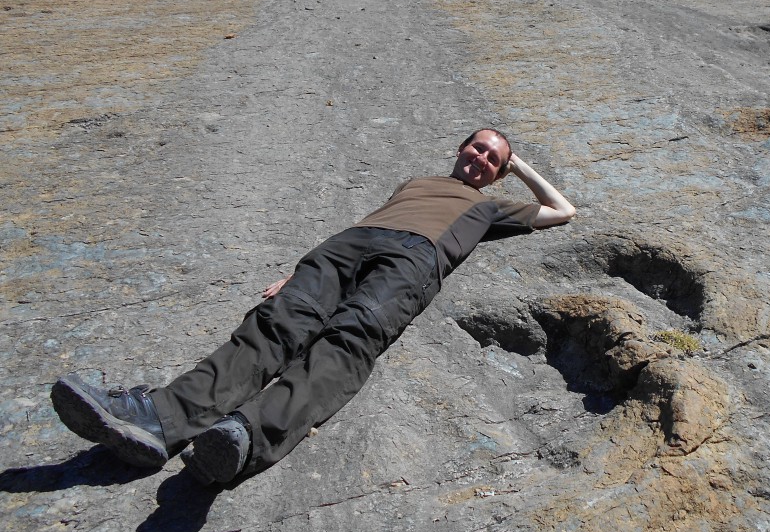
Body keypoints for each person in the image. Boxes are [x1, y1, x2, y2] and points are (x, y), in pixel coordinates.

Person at [50, 129, 575, 485]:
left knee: (350, 340)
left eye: (493, 159)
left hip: (416, 259)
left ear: (499, 174)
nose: (481, 158)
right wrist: (298, 272)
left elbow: (562, 210)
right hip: (349, 245)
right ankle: (158, 419)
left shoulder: (493, 206)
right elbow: (377, 216)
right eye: (477, 147)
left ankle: (245, 434)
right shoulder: (417, 183)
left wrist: (520, 162)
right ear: (459, 148)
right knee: (274, 324)